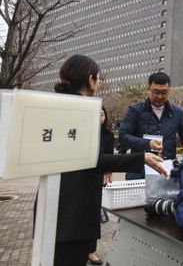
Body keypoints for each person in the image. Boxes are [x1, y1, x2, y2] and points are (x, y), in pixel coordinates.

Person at [47, 54, 167, 266]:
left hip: (55, 203)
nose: (100, 82)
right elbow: (94, 160)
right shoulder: (84, 109)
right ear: (90, 79)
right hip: (74, 209)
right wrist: (141, 157)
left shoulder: (59, 106)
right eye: (98, 77)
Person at [119, 72, 183, 180]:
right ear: (148, 89)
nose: (160, 96)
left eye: (164, 93)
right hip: (139, 171)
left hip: (168, 171)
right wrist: (148, 144)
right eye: (156, 92)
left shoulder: (178, 113)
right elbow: (123, 136)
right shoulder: (135, 110)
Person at [87, 106, 114, 265]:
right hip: (83, 178)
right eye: (97, 114)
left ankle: (91, 251)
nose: (100, 117)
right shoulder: (86, 132)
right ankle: (82, 248)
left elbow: (109, 156)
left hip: (99, 179)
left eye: (102, 114)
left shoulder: (108, 135)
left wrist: (108, 172)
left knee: (93, 216)